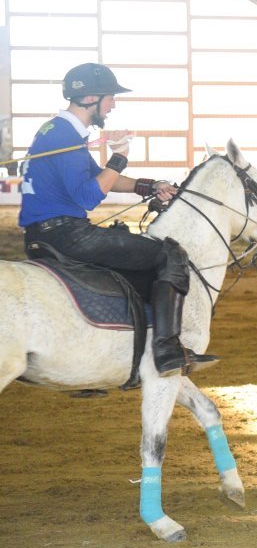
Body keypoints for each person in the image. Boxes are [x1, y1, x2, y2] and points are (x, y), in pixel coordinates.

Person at [19, 64, 214, 376]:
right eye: (110, 97)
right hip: (67, 234)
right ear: (91, 98)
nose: (113, 105)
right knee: (169, 255)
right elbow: (88, 196)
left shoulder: (58, 130)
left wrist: (149, 186)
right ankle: (167, 349)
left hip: (45, 233)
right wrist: (120, 156)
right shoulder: (64, 135)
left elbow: (100, 177)